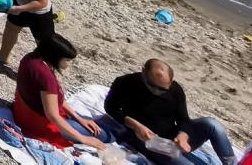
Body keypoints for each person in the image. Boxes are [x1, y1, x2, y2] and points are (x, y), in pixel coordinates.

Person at [107, 59, 238, 165]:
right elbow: (110, 107)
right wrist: (135, 125)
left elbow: (184, 120)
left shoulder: (175, 90)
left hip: (175, 140)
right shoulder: (124, 83)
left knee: (212, 124)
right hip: (147, 141)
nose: (159, 92)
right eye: (155, 87)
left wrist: (183, 135)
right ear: (143, 73)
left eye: (164, 89)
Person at [12, 34, 116, 151]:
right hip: (38, 124)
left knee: (87, 122)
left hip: (23, 112)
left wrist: (78, 118)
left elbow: (53, 100)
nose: (69, 64)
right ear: (54, 56)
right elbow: (53, 116)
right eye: (67, 60)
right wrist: (83, 139)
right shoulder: (46, 77)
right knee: (104, 134)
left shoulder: (30, 58)